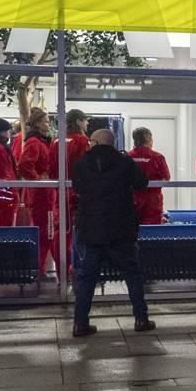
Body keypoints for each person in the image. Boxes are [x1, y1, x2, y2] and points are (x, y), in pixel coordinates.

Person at [68, 129, 154, 338]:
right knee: (132, 274)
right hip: (120, 228)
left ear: (96, 142)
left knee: (87, 277)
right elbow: (142, 182)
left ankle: (80, 323)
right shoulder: (124, 161)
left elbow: (77, 187)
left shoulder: (81, 163)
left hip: (91, 228)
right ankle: (141, 318)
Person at [18, 109, 60, 278]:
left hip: (44, 193)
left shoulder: (41, 142)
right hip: (42, 195)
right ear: (36, 123)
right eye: (45, 121)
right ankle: (39, 270)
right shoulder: (35, 142)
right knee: (46, 231)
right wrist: (39, 180)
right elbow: (24, 164)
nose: (48, 124)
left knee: (47, 231)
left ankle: (40, 268)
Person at [130, 127, 170, 226]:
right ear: (149, 140)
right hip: (153, 201)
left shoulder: (128, 157)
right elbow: (166, 178)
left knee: (132, 227)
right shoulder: (157, 157)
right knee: (152, 230)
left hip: (132, 199)